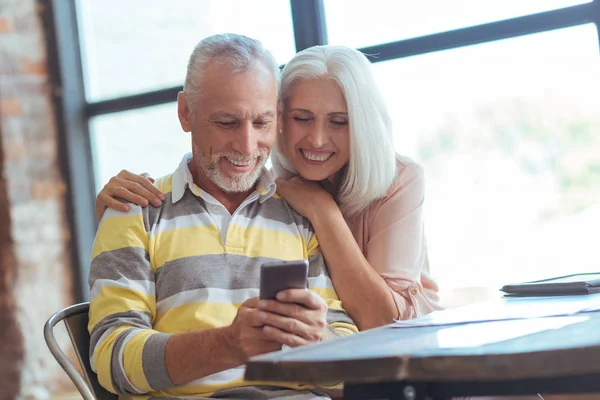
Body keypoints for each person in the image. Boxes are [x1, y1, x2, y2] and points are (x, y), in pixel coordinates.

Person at [96, 43, 442, 332]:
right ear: (279, 117)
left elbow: (385, 325)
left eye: (339, 122)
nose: (318, 139)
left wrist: (323, 212)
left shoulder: (397, 181)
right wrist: (116, 212)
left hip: (404, 361)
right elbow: (213, 155)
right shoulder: (271, 185)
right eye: (301, 118)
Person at [89, 33, 357, 400]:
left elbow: (349, 369)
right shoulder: (133, 212)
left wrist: (320, 341)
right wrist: (227, 346)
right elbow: (111, 359)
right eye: (227, 123)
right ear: (186, 112)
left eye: (261, 123)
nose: (247, 147)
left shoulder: (302, 211)